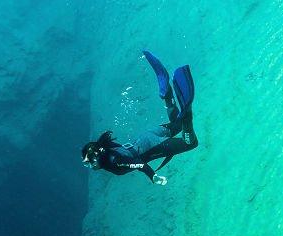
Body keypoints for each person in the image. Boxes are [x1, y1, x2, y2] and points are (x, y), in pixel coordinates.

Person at [81, 50, 198, 185]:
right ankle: (167, 94)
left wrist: (153, 176)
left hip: (152, 145)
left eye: (88, 163)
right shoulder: (106, 148)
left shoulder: (114, 162)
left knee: (190, 143)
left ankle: (187, 112)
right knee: (179, 124)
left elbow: (139, 164)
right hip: (144, 137)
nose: (90, 167)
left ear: (97, 157)